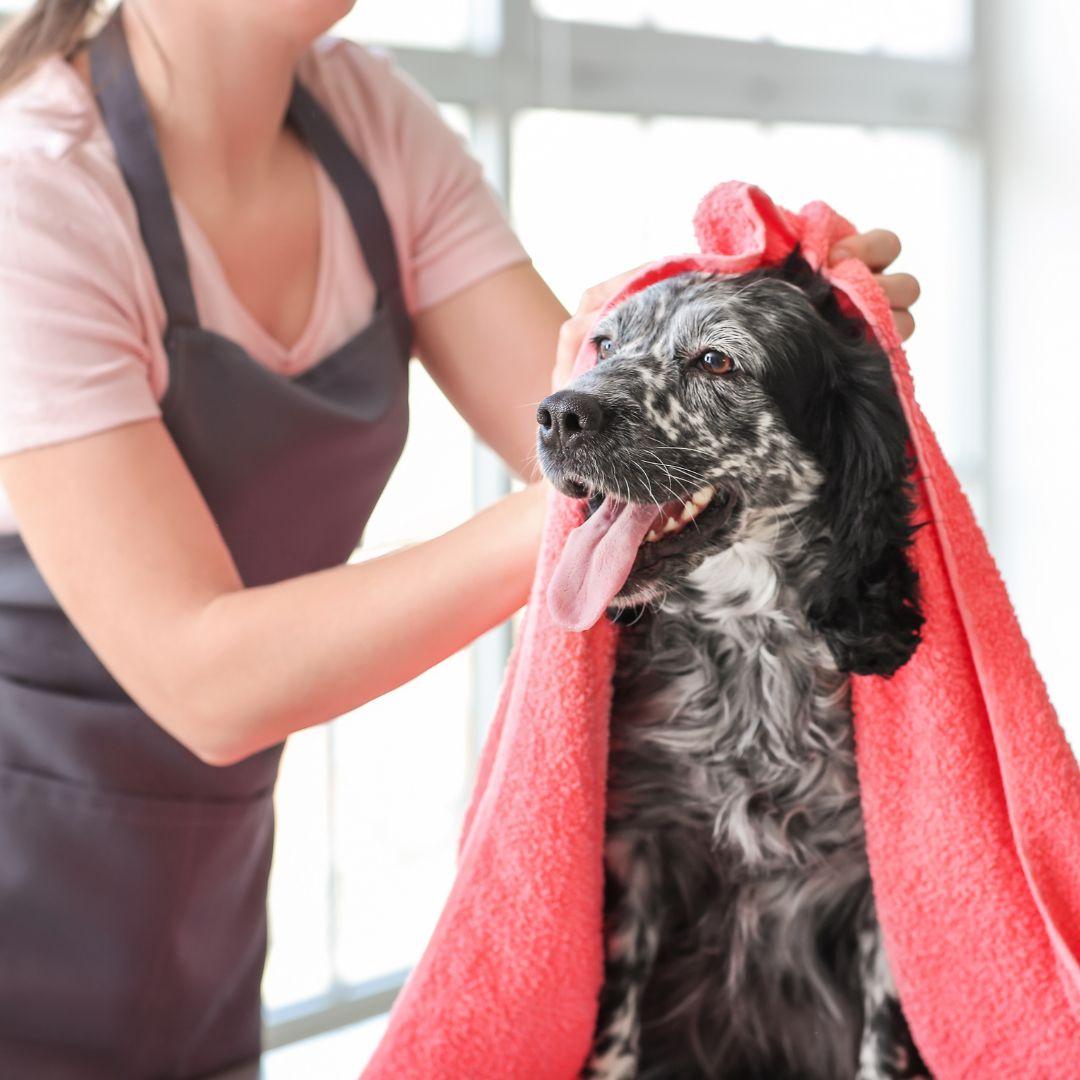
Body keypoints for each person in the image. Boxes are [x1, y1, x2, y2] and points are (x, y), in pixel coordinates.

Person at [0, 0, 921, 1074]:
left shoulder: (370, 125)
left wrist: (787, 335)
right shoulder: (33, 198)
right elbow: (206, 683)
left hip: (205, 904)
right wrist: (603, 507)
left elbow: (578, 416)